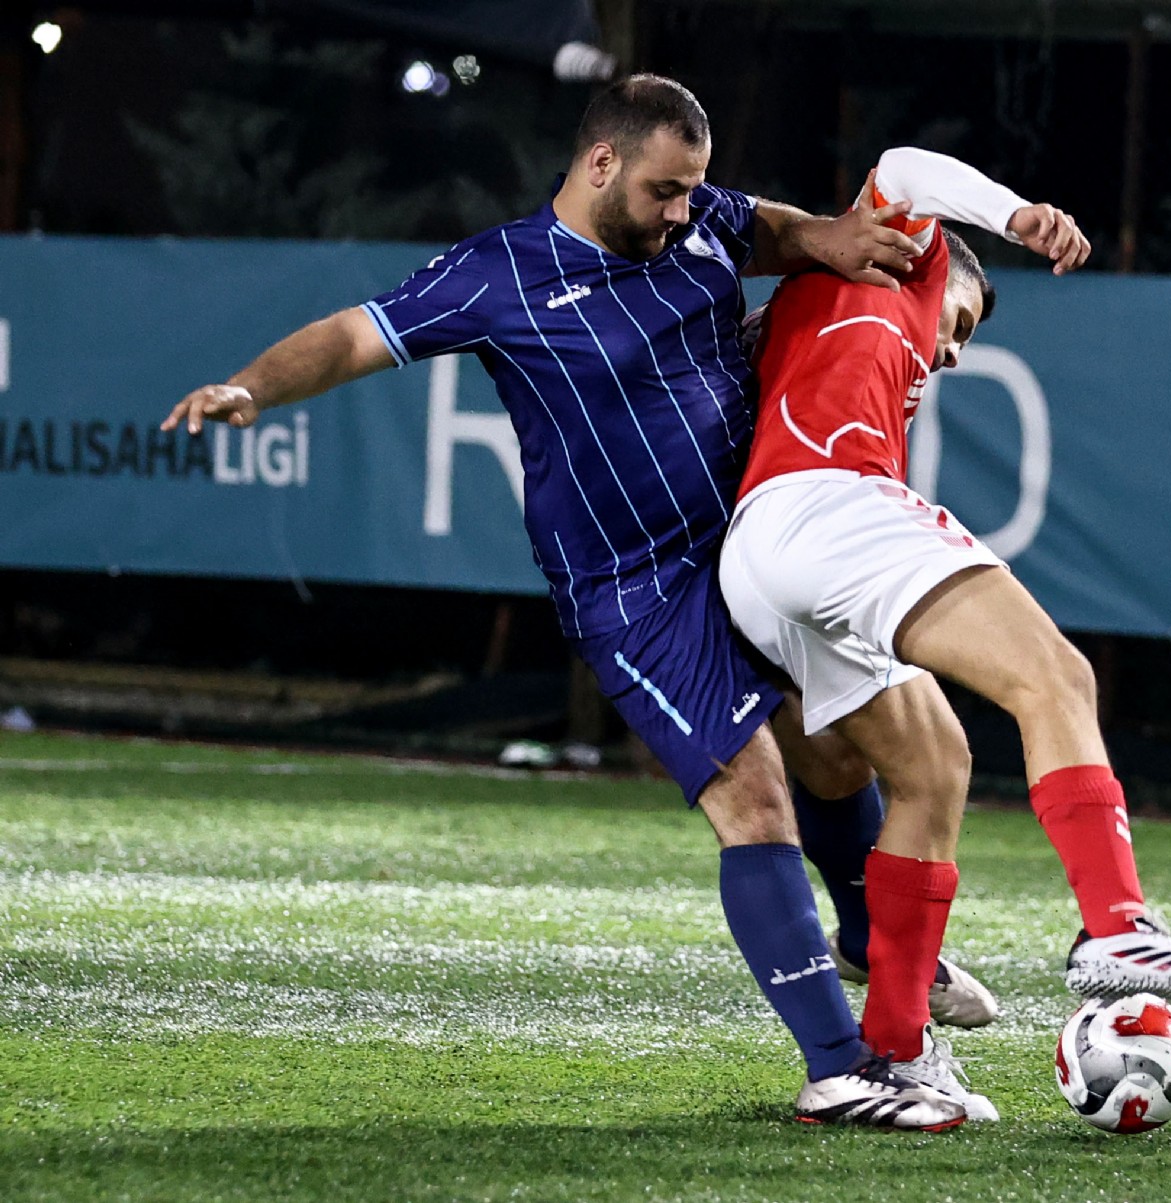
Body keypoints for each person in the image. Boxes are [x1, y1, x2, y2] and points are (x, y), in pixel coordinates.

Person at [161, 74, 980, 1130]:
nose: (685, 210)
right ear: (601, 164)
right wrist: (254, 386)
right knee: (756, 799)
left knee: (839, 753)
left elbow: (757, 227)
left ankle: (875, 945)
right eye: (665, 190)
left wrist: (823, 236)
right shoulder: (499, 272)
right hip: (638, 593)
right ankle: (839, 1071)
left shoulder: (699, 223)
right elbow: (357, 333)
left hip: (748, 546)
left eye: (694, 189)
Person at [720, 147, 1171, 1118]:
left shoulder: (806, 313)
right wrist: (1018, 216)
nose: (955, 349)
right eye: (961, 323)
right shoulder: (903, 260)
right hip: (826, 505)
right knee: (1055, 678)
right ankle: (1117, 924)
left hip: (758, 552)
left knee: (933, 767)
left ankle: (893, 1052)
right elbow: (903, 165)